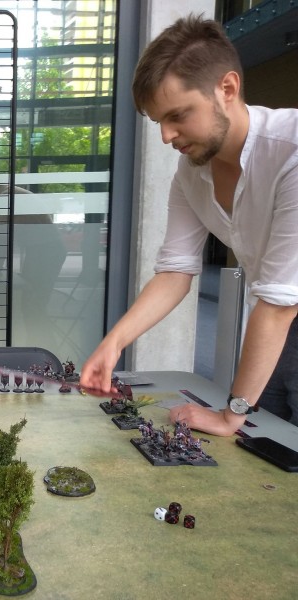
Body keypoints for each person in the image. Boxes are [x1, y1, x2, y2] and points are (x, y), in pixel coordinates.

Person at [80, 15, 298, 436]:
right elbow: (175, 272)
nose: (166, 136)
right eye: (158, 121)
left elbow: (277, 307)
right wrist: (114, 343)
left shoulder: (291, 153)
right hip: (276, 323)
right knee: (260, 444)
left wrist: (229, 415)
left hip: (278, 314)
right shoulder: (190, 173)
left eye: (178, 115)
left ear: (227, 89)